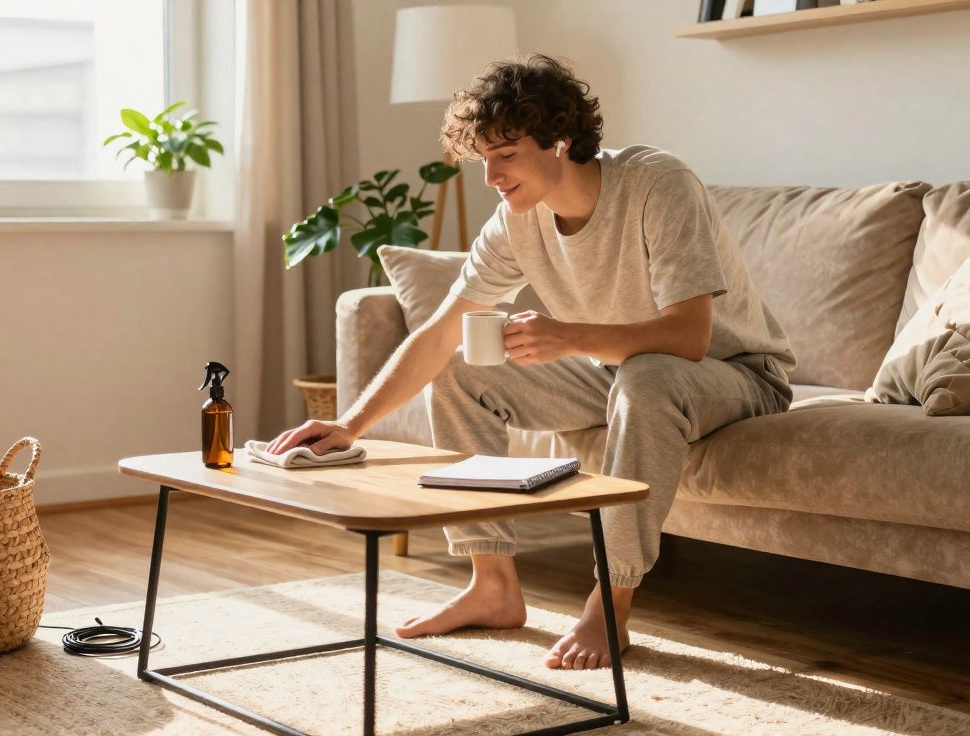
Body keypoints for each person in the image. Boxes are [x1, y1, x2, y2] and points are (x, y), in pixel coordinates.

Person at [265, 54, 794, 671]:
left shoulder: (658, 184)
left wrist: (567, 337)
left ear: (560, 139)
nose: (491, 176)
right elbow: (439, 333)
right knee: (462, 368)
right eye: (483, 158)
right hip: (614, 374)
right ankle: (492, 585)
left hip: (736, 375)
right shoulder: (516, 221)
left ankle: (610, 605)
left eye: (506, 155)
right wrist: (349, 425)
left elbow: (688, 337)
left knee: (648, 376)